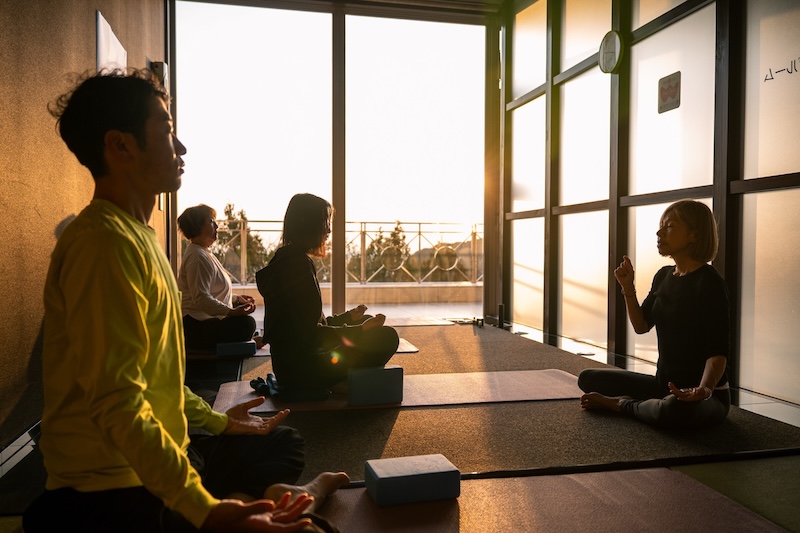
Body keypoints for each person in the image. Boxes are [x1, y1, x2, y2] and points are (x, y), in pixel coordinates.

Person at [24, 69, 348, 533]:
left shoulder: (140, 240)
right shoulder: (102, 246)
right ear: (121, 146)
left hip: (165, 454)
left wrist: (217, 421)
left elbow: (157, 379)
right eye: (167, 130)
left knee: (282, 441)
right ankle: (247, 501)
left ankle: (254, 497)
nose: (181, 148)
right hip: (111, 492)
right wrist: (202, 509)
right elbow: (119, 402)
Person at [578, 199, 731, 430]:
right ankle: (649, 404)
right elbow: (641, 325)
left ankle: (622, 405)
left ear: (694, 235)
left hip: (707, 395)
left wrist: (704, 389)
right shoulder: (663, 276)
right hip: (664, 385)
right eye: (661, 226)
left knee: (672, 410)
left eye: (670, 226)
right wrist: (628, 288)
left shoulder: (709, 283)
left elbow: (717, 353)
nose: (660, 232)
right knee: (588, 378)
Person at [256, 193, 399, 392]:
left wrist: (349, 317)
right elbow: (312, 334)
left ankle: (341, 376)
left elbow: (306, 325)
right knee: (387, 336)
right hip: (302, 371)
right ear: (307, 223)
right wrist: (360, 330)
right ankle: (336, 382)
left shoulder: (285, 259)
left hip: (290, 365)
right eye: (325, 222)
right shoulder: (296, 266)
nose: (329, 230)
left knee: (364, 319)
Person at [177, 203, 263, 351]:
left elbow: (212, 290)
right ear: (197, 227)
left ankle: (244, 339)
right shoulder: (197, 257)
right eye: (210, 221)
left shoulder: (203, 252)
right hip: (196, 326)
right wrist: (231, 312)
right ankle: (248, 340)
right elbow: (201, 298)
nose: (216, 226)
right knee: (247, 324)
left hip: (205, 319)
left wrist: (236, 299)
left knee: (240, 310)